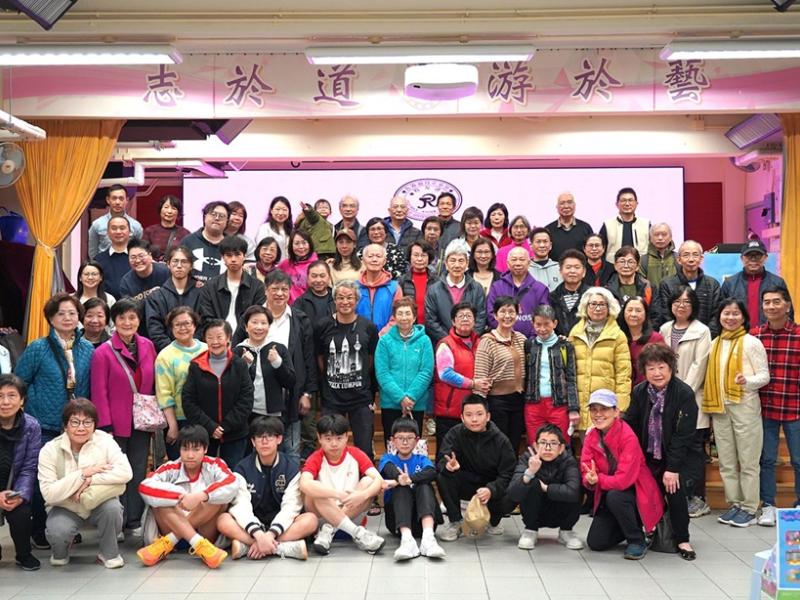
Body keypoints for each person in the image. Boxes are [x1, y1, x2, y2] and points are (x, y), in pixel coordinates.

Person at [14, 293, 93, 549]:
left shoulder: (87, 349)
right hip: (43, 423)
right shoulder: (38, 348)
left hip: (76, 426)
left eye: (72, 313)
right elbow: (19, 382)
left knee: (71, 477)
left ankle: (66, 526)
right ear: (50, 318)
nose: (67, 318)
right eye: (61, 313)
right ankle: (39, 528)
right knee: (41, 479)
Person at [38, 398, 132, 568]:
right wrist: (82, 475)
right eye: (75, 422)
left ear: (95, 425)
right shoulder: (50, 449)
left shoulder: (105, 441)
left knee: (112, 509)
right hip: (66, 505)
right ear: (65, 426)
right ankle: (61, 550)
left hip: (99, 500)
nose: (81, 428)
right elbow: (49, 493)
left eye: (87, 422)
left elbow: (125, 472)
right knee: (58, 534)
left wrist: (89, 480)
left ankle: (109, 553)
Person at [90, 297, 157, 536]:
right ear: (114, 321)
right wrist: (105, 426)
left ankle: (134, 520)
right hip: (114, 422)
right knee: (114, 472)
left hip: (142, 421)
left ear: (139, 320)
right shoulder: (103, 352)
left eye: (132, 317)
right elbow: (99, 391)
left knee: (138, 469)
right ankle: (116, 522)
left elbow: (153, 382)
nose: (127, 322)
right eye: (122, 318)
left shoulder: (148, 345)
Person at [626, 344, 698, 560]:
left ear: (671, 367)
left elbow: (683, 436)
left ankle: (683, 538)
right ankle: (647, 531)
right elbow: (630, 423)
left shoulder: (684, 393)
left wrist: (672, 468)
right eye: (651, 368)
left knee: (674, 490)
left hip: (676, 456)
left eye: (661, 367)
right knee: (642, 490)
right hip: (648, 455)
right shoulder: (639, 391)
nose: (657, 373)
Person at [704, 298, 769, 527]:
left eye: (735, 313)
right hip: (720, 408)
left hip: (745, 407)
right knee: (727, 462)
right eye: (726, 313)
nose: (730, 318)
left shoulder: (751, 343)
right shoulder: (714, 343)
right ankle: (735, 504)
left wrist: (746, 381)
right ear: (719, 316)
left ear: (743, 317)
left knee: (748, 461)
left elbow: (764, 376)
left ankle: (750, 508)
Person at [137, 425, 237, 568]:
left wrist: (201, 496)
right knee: (161, 503)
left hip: (205, 534)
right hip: (170, 526)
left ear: (205, 449)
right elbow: (145, 487)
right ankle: (196, 543)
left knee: (217, 499)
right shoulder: (170, 468)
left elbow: (232, 483)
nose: (190, 455)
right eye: (185, 449)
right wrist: (180, 497)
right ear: (179, 450)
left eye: (196, 449)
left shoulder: (215, 465)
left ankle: (173, 540)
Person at [217, 416, 317, 560]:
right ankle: (280, 547)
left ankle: (250, 546)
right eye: (259, 437)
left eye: (269, 436)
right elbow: (241, 506)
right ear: (253, 442)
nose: (264, 441)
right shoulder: (242, 468)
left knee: (310, 520)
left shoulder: (291, 468)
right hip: (253, 524)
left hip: (282, 525)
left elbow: (291, 506)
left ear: (279, 439)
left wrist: (271, 533)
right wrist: (257, 533)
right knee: (223, 520)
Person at [581, 389, 663, 560]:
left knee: (615, 496)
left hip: (635, 494)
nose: (598, 414)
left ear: (616, 412)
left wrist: (598, 480)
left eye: (604, 409)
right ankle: (627, 526)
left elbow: (623, 481)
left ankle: (637, 539)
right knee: (596, 542)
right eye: (594, 409)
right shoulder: (591, 436)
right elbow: (586, 468)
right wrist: (589, 480)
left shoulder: (628, 437)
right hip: (609, 493)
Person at [658, 285, 712, 518]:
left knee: (693, 449)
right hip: (666, 398)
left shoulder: (702, 331)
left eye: (686, 302)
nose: (681, 305)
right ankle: (676, 497)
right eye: (677, 301)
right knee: (673, 448)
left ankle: (696, 498)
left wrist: (681, 394)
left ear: (694, 306)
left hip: (691, 398)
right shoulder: (664, 329)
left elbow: (700, 365)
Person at [299, 414, 385, 555]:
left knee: (369, 481)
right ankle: (358, 533)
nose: (334, 444)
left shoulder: (355, 453)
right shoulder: (316, 457)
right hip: (323, 515)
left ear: (346, 437)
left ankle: (330, 529)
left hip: (352, 511)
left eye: (339, 438)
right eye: (328, 439)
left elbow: (379, 480)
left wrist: (362, 495)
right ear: (319, 438)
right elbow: (304, 484)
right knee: (314, 489)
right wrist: (337, 494)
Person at [436, 395, 516, 541]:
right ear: (462, 417)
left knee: (515, 490)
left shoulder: (501, 440)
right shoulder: (455, 433)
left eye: (479, 414)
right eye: (469, 415)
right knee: (443, 475)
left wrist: (492, 489)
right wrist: (448, 466)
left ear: (488, 416)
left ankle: (493, 521)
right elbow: (442, 458)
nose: (474, 419)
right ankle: (456, 521)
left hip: (489, 487)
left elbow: (508, 474)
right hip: (465, 483)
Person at [315, 281, 379, 460]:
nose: (345, 302)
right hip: (332, 398)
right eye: (340, 297)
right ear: (334, 300)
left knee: (364, 448)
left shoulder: (368, 327)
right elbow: (319, 358)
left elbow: (371, 360)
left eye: (350, 297)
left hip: (361, 398)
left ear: (357, 300)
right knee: (331, 448)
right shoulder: (322, 326)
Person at [753, 286, 800, 527]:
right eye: (767, 302)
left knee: (798, 461)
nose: (771, 306)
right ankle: (768, 505)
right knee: (767, 460)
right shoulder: (755, 335)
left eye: (776, 301)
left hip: (795, 407)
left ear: (788, 305)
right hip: (765, 409)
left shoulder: (798, 335)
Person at [182, 320, 254, 468]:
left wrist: (225, 426)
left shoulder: (239, 364)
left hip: (235, 433)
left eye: (219, 337)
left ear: (228, 338)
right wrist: (211, 426)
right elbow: (188, 401)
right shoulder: (196, 365)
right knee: (204, 474)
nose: (215, 342)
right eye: (210, 337)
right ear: (205, 339)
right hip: (204, 434)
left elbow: (246, 398)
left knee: (233, 474)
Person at [263, 270, 317, 458]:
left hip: (292, 392)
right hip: (261, 394)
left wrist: (307, 393)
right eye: (275, 289)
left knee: (292, 449)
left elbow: (309, 358)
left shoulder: (299, 319)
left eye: (284, 289)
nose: (279, 293)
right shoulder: (254, 316)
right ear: (266, 290)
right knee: (264, 445)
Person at [378, 418, 447, 560]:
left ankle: (428, 539)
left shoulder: (421, 459)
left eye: (409, 438)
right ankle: (407, 540)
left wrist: (410, 479)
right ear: (392, 440)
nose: (405, 442)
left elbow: (431, 472)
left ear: (416, 441)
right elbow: (388, 469)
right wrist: (399, 478)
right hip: (397, 522)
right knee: (401, 488)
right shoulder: (387, 458)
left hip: (424, 520)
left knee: (424, 485)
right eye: (400, 438)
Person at [506, 424, 583, 551]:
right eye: (543, 442)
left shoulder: (568, 461)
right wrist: (530, 472)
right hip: (535, 511)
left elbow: (573, 492)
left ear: (561, 448)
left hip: (561, 510)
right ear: (536, 446)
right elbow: (513, 494)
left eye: (553, 443)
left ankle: (566, 531)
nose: (547, 448)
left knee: (579, 484)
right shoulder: (527, 458)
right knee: (531, 483)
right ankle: (530, 530)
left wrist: (547, 488)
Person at [569, 287, 632, 433]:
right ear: (586, 307)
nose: (597, 308)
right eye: (593, 304)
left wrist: (620, 407)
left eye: (602, 304)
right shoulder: (575, 333)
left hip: (606, 407)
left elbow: (624, 374)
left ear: (609, 308)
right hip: (582, 407)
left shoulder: (618, 336)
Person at [433, 302, 491, 450]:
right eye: (461, 316)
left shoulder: (481, 343)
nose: (465, 319)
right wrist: (472, 384)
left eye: (469, 316)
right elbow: (445, 374)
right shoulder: (446, 344)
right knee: (447, 453)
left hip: (474, 413)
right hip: (450, 412)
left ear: (474, 321)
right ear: (453, 321)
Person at [0, 373, 43, 570]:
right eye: (0, 396)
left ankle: (24, 554)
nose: (5, 402)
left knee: (22, 512)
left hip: (14, 488)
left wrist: (20, 495)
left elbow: (29, 467)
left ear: (22, 400)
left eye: (12, 395)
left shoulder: (31, 426)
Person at [475, 296, 527, 453]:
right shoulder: (487, 341)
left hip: (519, 400)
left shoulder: (521, 339)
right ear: (495, 315)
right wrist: (480, 407)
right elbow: (480, 375)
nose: (507, 316)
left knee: (514, 445)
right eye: (503, 311)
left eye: (511, 311)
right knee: (499, 446)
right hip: (497, 402)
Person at [375, 297, 434, 435]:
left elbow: (426, 372)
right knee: (392, 443)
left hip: (416, 403)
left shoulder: (424, 341)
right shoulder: (384, 341)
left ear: (414, 317)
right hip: (391, 403)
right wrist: (401, 398)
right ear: (394, 317)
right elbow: (382, 373)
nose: (404, 317)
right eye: (400, 314)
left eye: (408, 313)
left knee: (413, 442)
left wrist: (411, 397)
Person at [155, 307, 207, 461]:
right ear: (171, 328)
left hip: (206, 418)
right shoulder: (165, 356)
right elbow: (164, 394)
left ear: (195, 325)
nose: (182, 328)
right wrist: (172, 426)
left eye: (187, 323)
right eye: (177, 324)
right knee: (181, 465)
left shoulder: (207, 349)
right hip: (180, 418)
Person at [524, 305, 579, 443]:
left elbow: (571, 378)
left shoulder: (565, 346)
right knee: (535, 444)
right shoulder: (529, 345)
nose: (542, 329)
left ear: (554, 323)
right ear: (532, 323)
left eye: (546, 324)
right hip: (533, 404)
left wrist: (573, 408)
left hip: (559, 404)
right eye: (538, 324)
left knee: (560, 443)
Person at [234, 306, 295, 420]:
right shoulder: (238, 350)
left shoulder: (279, 349)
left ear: (269, 326)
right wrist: (244, 365)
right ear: (246, 327)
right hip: (244, 413)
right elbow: (231, 384)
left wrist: (278, 363)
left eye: (263, 323)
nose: (259, 327)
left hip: (272, 414)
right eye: (254, 322)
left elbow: (290, 382)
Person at [198, 235, 266, 335]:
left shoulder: (257, 286)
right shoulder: (210, 286)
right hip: (216, 338)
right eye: (229, 255)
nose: (233, 259)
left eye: (237, 254)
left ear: (244, 256)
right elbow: (206, 318)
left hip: (247, 339)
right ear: (222, 257)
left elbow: (257, 318)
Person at [652, 240, 721, 335]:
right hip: (676, 336)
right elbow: (666, 314)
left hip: (706, 337)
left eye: (695, 255)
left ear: (701, 259)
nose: (691, 259)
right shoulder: (667, 284)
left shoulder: (713, 284)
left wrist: (706, 336)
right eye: (686, 255)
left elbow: (716, 315)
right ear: (679, 260)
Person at [425, 239, 487, 345]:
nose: (457, 265)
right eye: (453, 261)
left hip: (470, 344)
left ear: (467, 263)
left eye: (461, 261)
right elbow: (431, 320)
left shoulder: (476, 288)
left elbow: (481, 318)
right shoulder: (434, 290)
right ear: (446, 264)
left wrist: (467, 339)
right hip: (444, 344)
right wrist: (450, 341)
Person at [720, 240, 792, 327]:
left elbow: (789, 312)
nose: (753, 259)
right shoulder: (730, 283)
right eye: (749, 255)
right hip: (739, 333)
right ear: (742, 258)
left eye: (758, 255)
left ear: (765, 257)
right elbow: (721, 313)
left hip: (769, 332)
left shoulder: (778, 282)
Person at [145, 245, 203, 352]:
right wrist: (173, 350)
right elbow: (155, 329)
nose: (179, 266)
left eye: (184, 262)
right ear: (168, 264)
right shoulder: (156, 297)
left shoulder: (202, 293)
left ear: (191, 266)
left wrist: (192, 346)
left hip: (197, 352)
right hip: (167, 354)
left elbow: (205, 323)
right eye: (175, 261)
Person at [486, 246, 550, 338]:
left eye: (522, 259)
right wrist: (505, 335)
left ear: (529, 263)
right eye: (514, 260)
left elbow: (544, 316)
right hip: (502, 340)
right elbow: (491, 314)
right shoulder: (497, 287)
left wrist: (532, 339)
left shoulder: (540, 289)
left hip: (533, 342)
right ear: (508, 264)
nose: (518, 263)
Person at [356, 243, 403, 332]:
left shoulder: (394, 288)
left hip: (387, 337)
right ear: (363, 261)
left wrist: (383, 334)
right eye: (370, 256)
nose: (374, 260)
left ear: (384, 261)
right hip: (359, 336)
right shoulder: (354, 287)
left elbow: (398, 315)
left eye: (378, 256)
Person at [87, 184, 143, 259]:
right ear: (108, 200)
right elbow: (92, 253)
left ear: (127, 200)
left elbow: (138, 250)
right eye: (114, 198)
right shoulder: (97, 224)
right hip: (103, 264)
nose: (117, 202)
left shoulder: (136, 226)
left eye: (121, 198)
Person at [618, 296, 664, 385]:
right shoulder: (617, 337)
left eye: (638, 311)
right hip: (621, 387)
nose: (633, 314)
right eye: (629, 310)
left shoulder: (656, 339)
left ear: (646, 314)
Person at [182, 201, 230, 283]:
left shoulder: (232, 245)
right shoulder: (188, 241)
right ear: (204, 217)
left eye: (222, 216)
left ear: (227, 221)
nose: (217, 218)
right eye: (213, 214)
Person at [599, 187, 650, 262]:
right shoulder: (607, 225)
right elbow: (601, 250)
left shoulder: (646, 224)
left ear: (636, 204)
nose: (627, 204)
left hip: (640, 267)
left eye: (630, 200)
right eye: (623, 200)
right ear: (617, 204)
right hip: (613, 267)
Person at [550, 249, 590, 337]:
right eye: (568, 267)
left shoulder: (592, 295)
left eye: (577, 267)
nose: (572, 271)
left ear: (584, 272)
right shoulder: (552, 297)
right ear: (560, 271)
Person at [545, 192, 594, 262]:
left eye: (569, 202)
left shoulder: (586, 227)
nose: (566, 206)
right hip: (555, 268)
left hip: (581, 268)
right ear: (557, 207)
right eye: (562, 203)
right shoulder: (548, 229)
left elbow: (591, 251)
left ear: (575, 205)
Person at [118, 239, 169, 304]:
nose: (138, 260)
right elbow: (128, 308)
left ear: (150, 256)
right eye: (133, 257)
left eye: (141, 256)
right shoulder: (126, 283)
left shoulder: (165, 272)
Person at [94, 215, 133, 299]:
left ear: (130, 232)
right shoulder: (98, 260)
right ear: (108, 233)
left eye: (122, 228)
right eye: (114, 228)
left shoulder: (138, 258)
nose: (118, 232)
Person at [141, 194, 190, 261]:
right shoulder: (149, 231)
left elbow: (189, 256)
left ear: (178, 212)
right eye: (166, 207)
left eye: (173, 208)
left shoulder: (185, 233)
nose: (169, 211)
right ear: (160, 210)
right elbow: (142, 252)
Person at [399, 240, 437, 325]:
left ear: (429, 257)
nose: (419, 259)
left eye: (423, 255)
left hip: (432, 327)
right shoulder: (402, 281)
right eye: (416, 255)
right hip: (409, 327)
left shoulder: (436, 281)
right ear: (410, 257)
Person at [278, 230, 318, 304]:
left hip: (307, 306)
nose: (301, 247)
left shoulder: (316, 265)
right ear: (291, 245)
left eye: (304, 243)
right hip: (286, 307)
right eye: (297, 243)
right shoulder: (285, 264)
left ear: (310, 244)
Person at [639, 223, 677, 289]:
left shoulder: (678, 258)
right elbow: (640, 283)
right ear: (650, 238)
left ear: (670, 237)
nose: (660, 238)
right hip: (651, 295)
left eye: (664, 234)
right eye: (656, 235)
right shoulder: (643, 260)